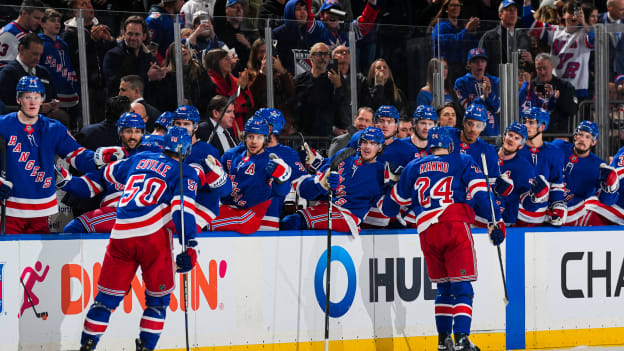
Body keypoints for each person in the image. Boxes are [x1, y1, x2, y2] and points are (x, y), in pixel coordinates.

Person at [376, 126, 505, 351]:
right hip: (453, 226)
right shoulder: (462, 160)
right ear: (451, 143)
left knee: (444, 289)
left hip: (427, 233)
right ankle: (462, 339)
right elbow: (481, 193)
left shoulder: (413, 166)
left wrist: (391, 183)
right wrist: (497, 221)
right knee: (463, 288)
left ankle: (443, 340)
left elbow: (389, 208)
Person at [78, 127, 200, 351]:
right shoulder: (186, 171)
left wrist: (69, 180)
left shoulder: (140, 158)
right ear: (187, 150)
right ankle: (145, 347)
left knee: (104, 301)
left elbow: (105, 174)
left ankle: (87, 346)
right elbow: (182, 212)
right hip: (152, 240)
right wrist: (190, 244)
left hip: (121, 236)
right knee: (157, 303)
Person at [0, 76, 123, 234]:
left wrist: (100, 156)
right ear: (18, 99)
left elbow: (77, 156)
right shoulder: (3, 124)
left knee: (38, 259)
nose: (32, 102)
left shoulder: (53, 128)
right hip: (10, 209)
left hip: (42, 209)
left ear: (42, 99)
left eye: (36, 97)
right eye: (27, 97)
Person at [61, 113, 162, 233]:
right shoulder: (110, 156)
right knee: (72, 228)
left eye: (137, 131)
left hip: (136, 211)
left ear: (143, 133)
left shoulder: (154, 153)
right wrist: (63, 179)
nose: (133, 136)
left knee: (74, 228)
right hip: (114, 212)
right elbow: (88, 186)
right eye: (128, 131)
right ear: (120, 132)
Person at [280, 126, 386, 235]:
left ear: (380, 148)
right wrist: (319, 171)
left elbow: (386, 205)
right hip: (326, 205)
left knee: (291, 222)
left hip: (347, 215)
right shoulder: (345, 155)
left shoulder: (381, 172)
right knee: (289, 221)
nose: (367, 147)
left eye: (373, 143)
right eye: (364, 142)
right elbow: (324, 171)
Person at [224, 108, 307, 230]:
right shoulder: (235, 153)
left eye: (260, 122)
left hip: (265, 217)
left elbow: (302, 184)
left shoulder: (286, 154)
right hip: (234, 214)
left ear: (269, 129)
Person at [209, 116, 292, 234]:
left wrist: (282, 180)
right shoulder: (231, 155)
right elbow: (219, 189)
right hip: (229, 211)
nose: (254, 141)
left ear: (265, 139)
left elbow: (282, 192)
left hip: (259, 219)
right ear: (244, 137)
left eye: (259, 137)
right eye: (250, 136)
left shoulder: (271, 160)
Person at [524, 0, 595, 100]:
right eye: (571, 12)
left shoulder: (585, 34)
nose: (574, 16)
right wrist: (527, 4)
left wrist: (584, 22)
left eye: (578, 13)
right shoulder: (555, 31)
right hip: (555, 87)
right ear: (563, 15)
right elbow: (529, 22)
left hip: (578, 89)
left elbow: (594, 39)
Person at [61, 0, 116, 123]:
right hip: (84, 88)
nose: (89, 6)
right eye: (83, 4)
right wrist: (92, 41)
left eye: (89, 3)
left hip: (104, 85)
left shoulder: (103, 27)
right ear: (75, 12)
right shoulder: (68, 33)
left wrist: (110, 40)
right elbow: (74, 59)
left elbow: (112, 54)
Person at [551, 121, 608, 225]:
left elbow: (606, 199)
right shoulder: (558, 146)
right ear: (575, 136)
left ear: (593, 142)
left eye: (588, 137)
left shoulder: (599, 166)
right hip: (547, 206)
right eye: (580, 134)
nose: (582, 139)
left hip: (573, 214)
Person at [516, 107, 566, 226]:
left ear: (542, 127)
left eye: (531, 122)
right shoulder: (515, 148)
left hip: (541, 215)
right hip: (516, 213)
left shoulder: (554, 152)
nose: (526, 125)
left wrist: (557, 204)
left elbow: (556, 183)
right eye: (524, 121)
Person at [293, 42, 347, 137]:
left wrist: (338, 86)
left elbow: (341, 107)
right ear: (311, 57)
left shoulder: (336, 80)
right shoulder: (299, 80)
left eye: (326, 54)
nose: (323, 57)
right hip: (303, 134)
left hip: (327, 135)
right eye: (319, 54)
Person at [0, 33, 60, 118]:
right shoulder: (8, 73)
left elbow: (53, 97)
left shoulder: (44, 72)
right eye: (34, 54)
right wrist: (34, 109)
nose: (38, 58)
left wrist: (53, 104)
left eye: (40, 55)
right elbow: (4, 107)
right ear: (21, 49)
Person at [149, 42, 216, 115]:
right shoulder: (168, 76)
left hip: (200, 113)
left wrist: (191, 103)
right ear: (173, 56)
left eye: (184, 47)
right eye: (179, 49)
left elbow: (210, 91)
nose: (183, 50)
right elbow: (164, 101)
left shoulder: (199, 70)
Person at [247, 38, 297, 133]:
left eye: (268, 52)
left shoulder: (281, 75)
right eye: (261, 51)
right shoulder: (249, 74)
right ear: (255, 55)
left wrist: (282, 71)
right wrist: (262, 73)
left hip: (281, 126)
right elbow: (252, 96)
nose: (265, 55)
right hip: (259, 124)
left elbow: (291, 93)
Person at [520, 53, 577, 134]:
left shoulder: (564, 86)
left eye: (545, 68)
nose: (542, 72)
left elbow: (572, 110)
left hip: (558, 134)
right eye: (539, 69)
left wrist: (556, 98)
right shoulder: (530, 86)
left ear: (552, 67)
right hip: (534, 134)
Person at [102, 16, 158, 97]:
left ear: (144, 36)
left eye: (137, 34)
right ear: (124, 34)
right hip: (121, 105)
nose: (133, 38)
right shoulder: (112, 55)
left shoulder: (149, 57)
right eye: (130, 34)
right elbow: (115, 84)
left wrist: (160, 76)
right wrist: (147, 77)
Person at [203, 48, 254, 136]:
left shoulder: (233, 80)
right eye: (226, 59)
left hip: (238, 126)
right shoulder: (209, 82)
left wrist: (244, 87)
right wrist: (240, 87)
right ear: (215, 62)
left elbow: (248, 104)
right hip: (219, 128)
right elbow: (223, 106)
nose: (230, 62)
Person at [430, 0, 481, 83]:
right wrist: (466, 31)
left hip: (462, 69)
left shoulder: (461, 27)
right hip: (447, 69)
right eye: (452, 5)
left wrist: (472, 33)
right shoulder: (441, 26)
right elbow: (449, 44)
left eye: (458, 5)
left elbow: (470, 47)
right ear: (446, 9)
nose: (456, 8)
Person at [38, 9, 79, 112]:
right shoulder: (38, 43)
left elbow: (68, 66)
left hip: (69, 92)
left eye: (58, 21)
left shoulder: (63, 44)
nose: (57, 24)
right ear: (42, 23)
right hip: (51, 95)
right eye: (52, 20)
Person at [478, 0, 533, 77]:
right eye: (509, 10)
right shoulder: (489, 37)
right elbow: (480, 63)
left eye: (515, 10)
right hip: (496, 84)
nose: (513, 13)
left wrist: (531, 61)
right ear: (500, 15)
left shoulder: (523, 37)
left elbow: (531, 67)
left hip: (519, 84)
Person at [454, 48, 501, 136]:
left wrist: (489, 94)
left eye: (482, 61)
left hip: (492, 132)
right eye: (475, 61)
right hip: (471, 133)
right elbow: (468, 108)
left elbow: (498, 108)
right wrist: (483, 97)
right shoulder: (461, 83)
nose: (479, 64)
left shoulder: (495, 81)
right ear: (469, 64)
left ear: (486, 63)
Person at [496, 122, 535, 225]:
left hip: (504, 222)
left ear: (521, 146)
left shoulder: (525, 168)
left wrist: (536, 197)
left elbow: (528, 204)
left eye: (517, 138)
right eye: (510, 135)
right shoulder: (487, 154)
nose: (511, 139)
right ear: (504, 137)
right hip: (477, 217)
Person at [213, 0, 260, 74]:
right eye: (235, 7)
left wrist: (247, 44)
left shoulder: (248, 33)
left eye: (241, 7)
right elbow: (219, 7)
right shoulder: (220, 29)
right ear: (226, 10)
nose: (239, 10)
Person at [0, 0, 44, 68]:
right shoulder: (9, 34)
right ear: (24, 13)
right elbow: (2, 66)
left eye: (41, 19)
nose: (40, 22)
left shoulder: (29, 32)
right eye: (37, 18)